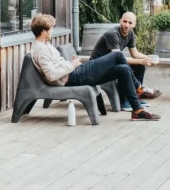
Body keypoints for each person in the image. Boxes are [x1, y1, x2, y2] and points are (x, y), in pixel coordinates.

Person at [30, 13, 160, 121]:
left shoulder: (44, 45)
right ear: (43, 31)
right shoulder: (41, 49)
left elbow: (56, 66)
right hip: (73, 76)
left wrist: (70, 63)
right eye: (51, 28)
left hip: (76, 72)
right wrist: (71, 65)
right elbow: (51, 75)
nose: (53, 31)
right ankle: (139, 88)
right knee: (117, 56)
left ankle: (137, 110)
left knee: (123, 69)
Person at [90, 12, 161, 111]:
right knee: (123, 68)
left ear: (134, 25)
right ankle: (124, 101)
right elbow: (117, 58)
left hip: (110, 65)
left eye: (130, 23)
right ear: (120, 21)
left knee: (139, 67)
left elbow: (135, 53)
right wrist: (142, 61)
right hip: (97, 68)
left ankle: (135, 98)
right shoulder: (112, 34)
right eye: (124, 21)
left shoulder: (130, 33)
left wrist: (148, 58)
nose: (126, 25)